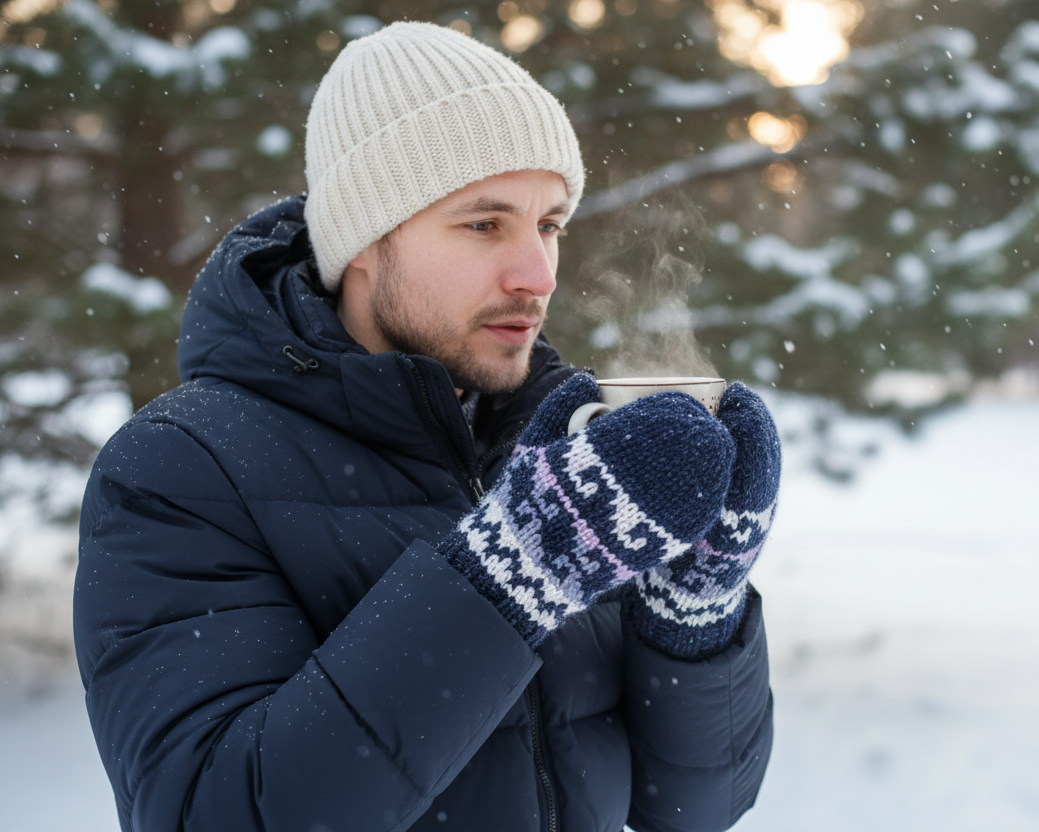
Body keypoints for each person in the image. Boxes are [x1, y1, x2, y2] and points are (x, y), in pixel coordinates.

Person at [74, 21, 779, 832]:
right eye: (485, 224)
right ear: (366, 239)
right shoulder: (181, 468)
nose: (538, 275)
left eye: (548, 224)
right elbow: (216, 814)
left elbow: (691, 808)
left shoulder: (551, 445)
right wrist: (508, 572)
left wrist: (695, 606)